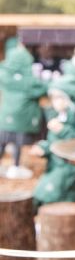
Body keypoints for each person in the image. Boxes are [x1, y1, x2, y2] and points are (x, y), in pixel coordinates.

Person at [29, 76, 75, 210]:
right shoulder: (60, 115)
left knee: (48, 195)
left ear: (69, 97)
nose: (55, 102)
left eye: (59, 97)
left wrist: (62, 130)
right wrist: (43, 148)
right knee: (38, 196)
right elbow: (53, 143)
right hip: (56, 165)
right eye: (53, 97)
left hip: (73, 168)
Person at [0, 45, 48, 179]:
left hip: (5, 117)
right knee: (17, 144)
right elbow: (43, 90)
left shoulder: (4, 76)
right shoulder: (29, 81)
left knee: (2, 143)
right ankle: (15, 168)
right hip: (21, 119)